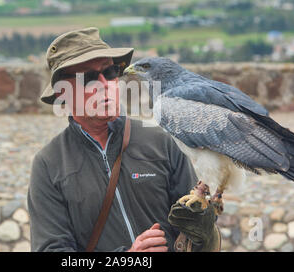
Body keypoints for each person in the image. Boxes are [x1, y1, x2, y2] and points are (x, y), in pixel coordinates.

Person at [27, 27, 221, 252]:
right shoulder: (48, 165)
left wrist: (204, 230)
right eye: (89, 78)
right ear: (63, 92)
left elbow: (196, 235)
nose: (104, 83)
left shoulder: (162, 141)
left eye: (109, 72)